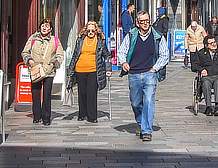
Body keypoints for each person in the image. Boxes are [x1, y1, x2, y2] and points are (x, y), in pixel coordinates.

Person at [117, 11, 170, 141]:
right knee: (135, 103)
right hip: (134, 73)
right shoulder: (131, 35)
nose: (145, 23)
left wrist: (154, 68)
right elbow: (122, 51)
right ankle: (140, 122)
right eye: (142, 21)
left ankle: (147, 130)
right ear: (137, 23)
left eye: (147, 21)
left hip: (149, 73)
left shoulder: (157, 35)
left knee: (149, 100)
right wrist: (124, 62)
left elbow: (165, 55)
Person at [65, 20, 110, 123]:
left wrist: (108, 69)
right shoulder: (81, 40)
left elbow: (107, 55)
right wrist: (70, 70)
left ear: (96, 31)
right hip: (80, 69)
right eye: (88, 30)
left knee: (91, 93)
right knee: (82, 93)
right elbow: (75, 55)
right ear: (85, 30)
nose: (90, 32)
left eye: (92, 31)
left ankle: (92, 116)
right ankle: (82, 113)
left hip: (94, 70)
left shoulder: (100, 41)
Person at [22, 19, 64, 126]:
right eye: (43, 26)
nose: (44, 28)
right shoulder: (33, 38)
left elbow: (60, 56)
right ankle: (37, 115)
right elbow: (25, 52)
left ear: (50, 29)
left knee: (47, 95)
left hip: (49, 72)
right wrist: (30, 61)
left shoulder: (55, 40)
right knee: (35, 94)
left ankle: (46, 118)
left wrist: (53, 64)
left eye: (47, 26)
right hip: (35, 70)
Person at [191, 35, 218, 116]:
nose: (214, 44)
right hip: (207, 76)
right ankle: (208, 106)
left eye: (215, 42)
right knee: (206, 83)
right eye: (211, 43)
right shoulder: (201, 53)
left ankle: (217, 106)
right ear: (206, 45)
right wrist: (201, 70)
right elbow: (194, 65)